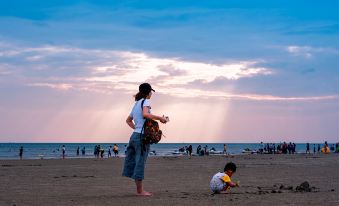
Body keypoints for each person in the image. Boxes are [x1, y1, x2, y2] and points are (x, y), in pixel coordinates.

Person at [122, 83, 168, 196]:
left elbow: (128, 120)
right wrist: (161, 118)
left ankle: (139, 190)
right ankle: (140, 191)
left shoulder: (136, 104)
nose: (151, 94)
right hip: (142, 138)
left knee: (133, 162)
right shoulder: (146, 101)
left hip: (134, 136)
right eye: (151, 92)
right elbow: (146, 114)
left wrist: (137, 129)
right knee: (140, 163)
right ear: (148, 92)